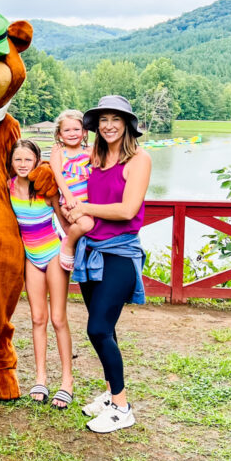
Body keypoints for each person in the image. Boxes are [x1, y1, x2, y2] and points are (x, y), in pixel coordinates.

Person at [65, 95, 151, 434]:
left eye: (116, 119)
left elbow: (128, 210)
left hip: (119, 253)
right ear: (96, 126)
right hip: (91, 251)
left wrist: (85, 209)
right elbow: (64, 164)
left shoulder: (139, 160)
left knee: (97, 329)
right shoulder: (96, 157)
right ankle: (111, 393)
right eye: (103, 120)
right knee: (107, 328)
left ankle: (122, 407)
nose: (109, 125)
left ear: (127, 124)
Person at [7, 140, 74, 410]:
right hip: (31, 258)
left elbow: (65, 221)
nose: (23, 165)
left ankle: (67, 381)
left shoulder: (46, 189)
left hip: (53, 254)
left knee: (58, 319)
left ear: (36, 161)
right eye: (17, 160)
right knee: (37, 318)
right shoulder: (8, 188)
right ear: (11, 162)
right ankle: (40, 378)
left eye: (28, 160)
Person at [48, 110, 94, 272]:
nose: (72, 133)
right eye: (67, 130)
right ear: (59, 135)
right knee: (87, 225)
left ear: (85, 132)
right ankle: (68, 244)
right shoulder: (60, 153)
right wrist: (68, 197)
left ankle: (86, 262)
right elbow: (57, 174)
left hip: (90, 202)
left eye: (76, 129)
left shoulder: (89, 151)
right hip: (71, 201)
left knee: (94, 230)